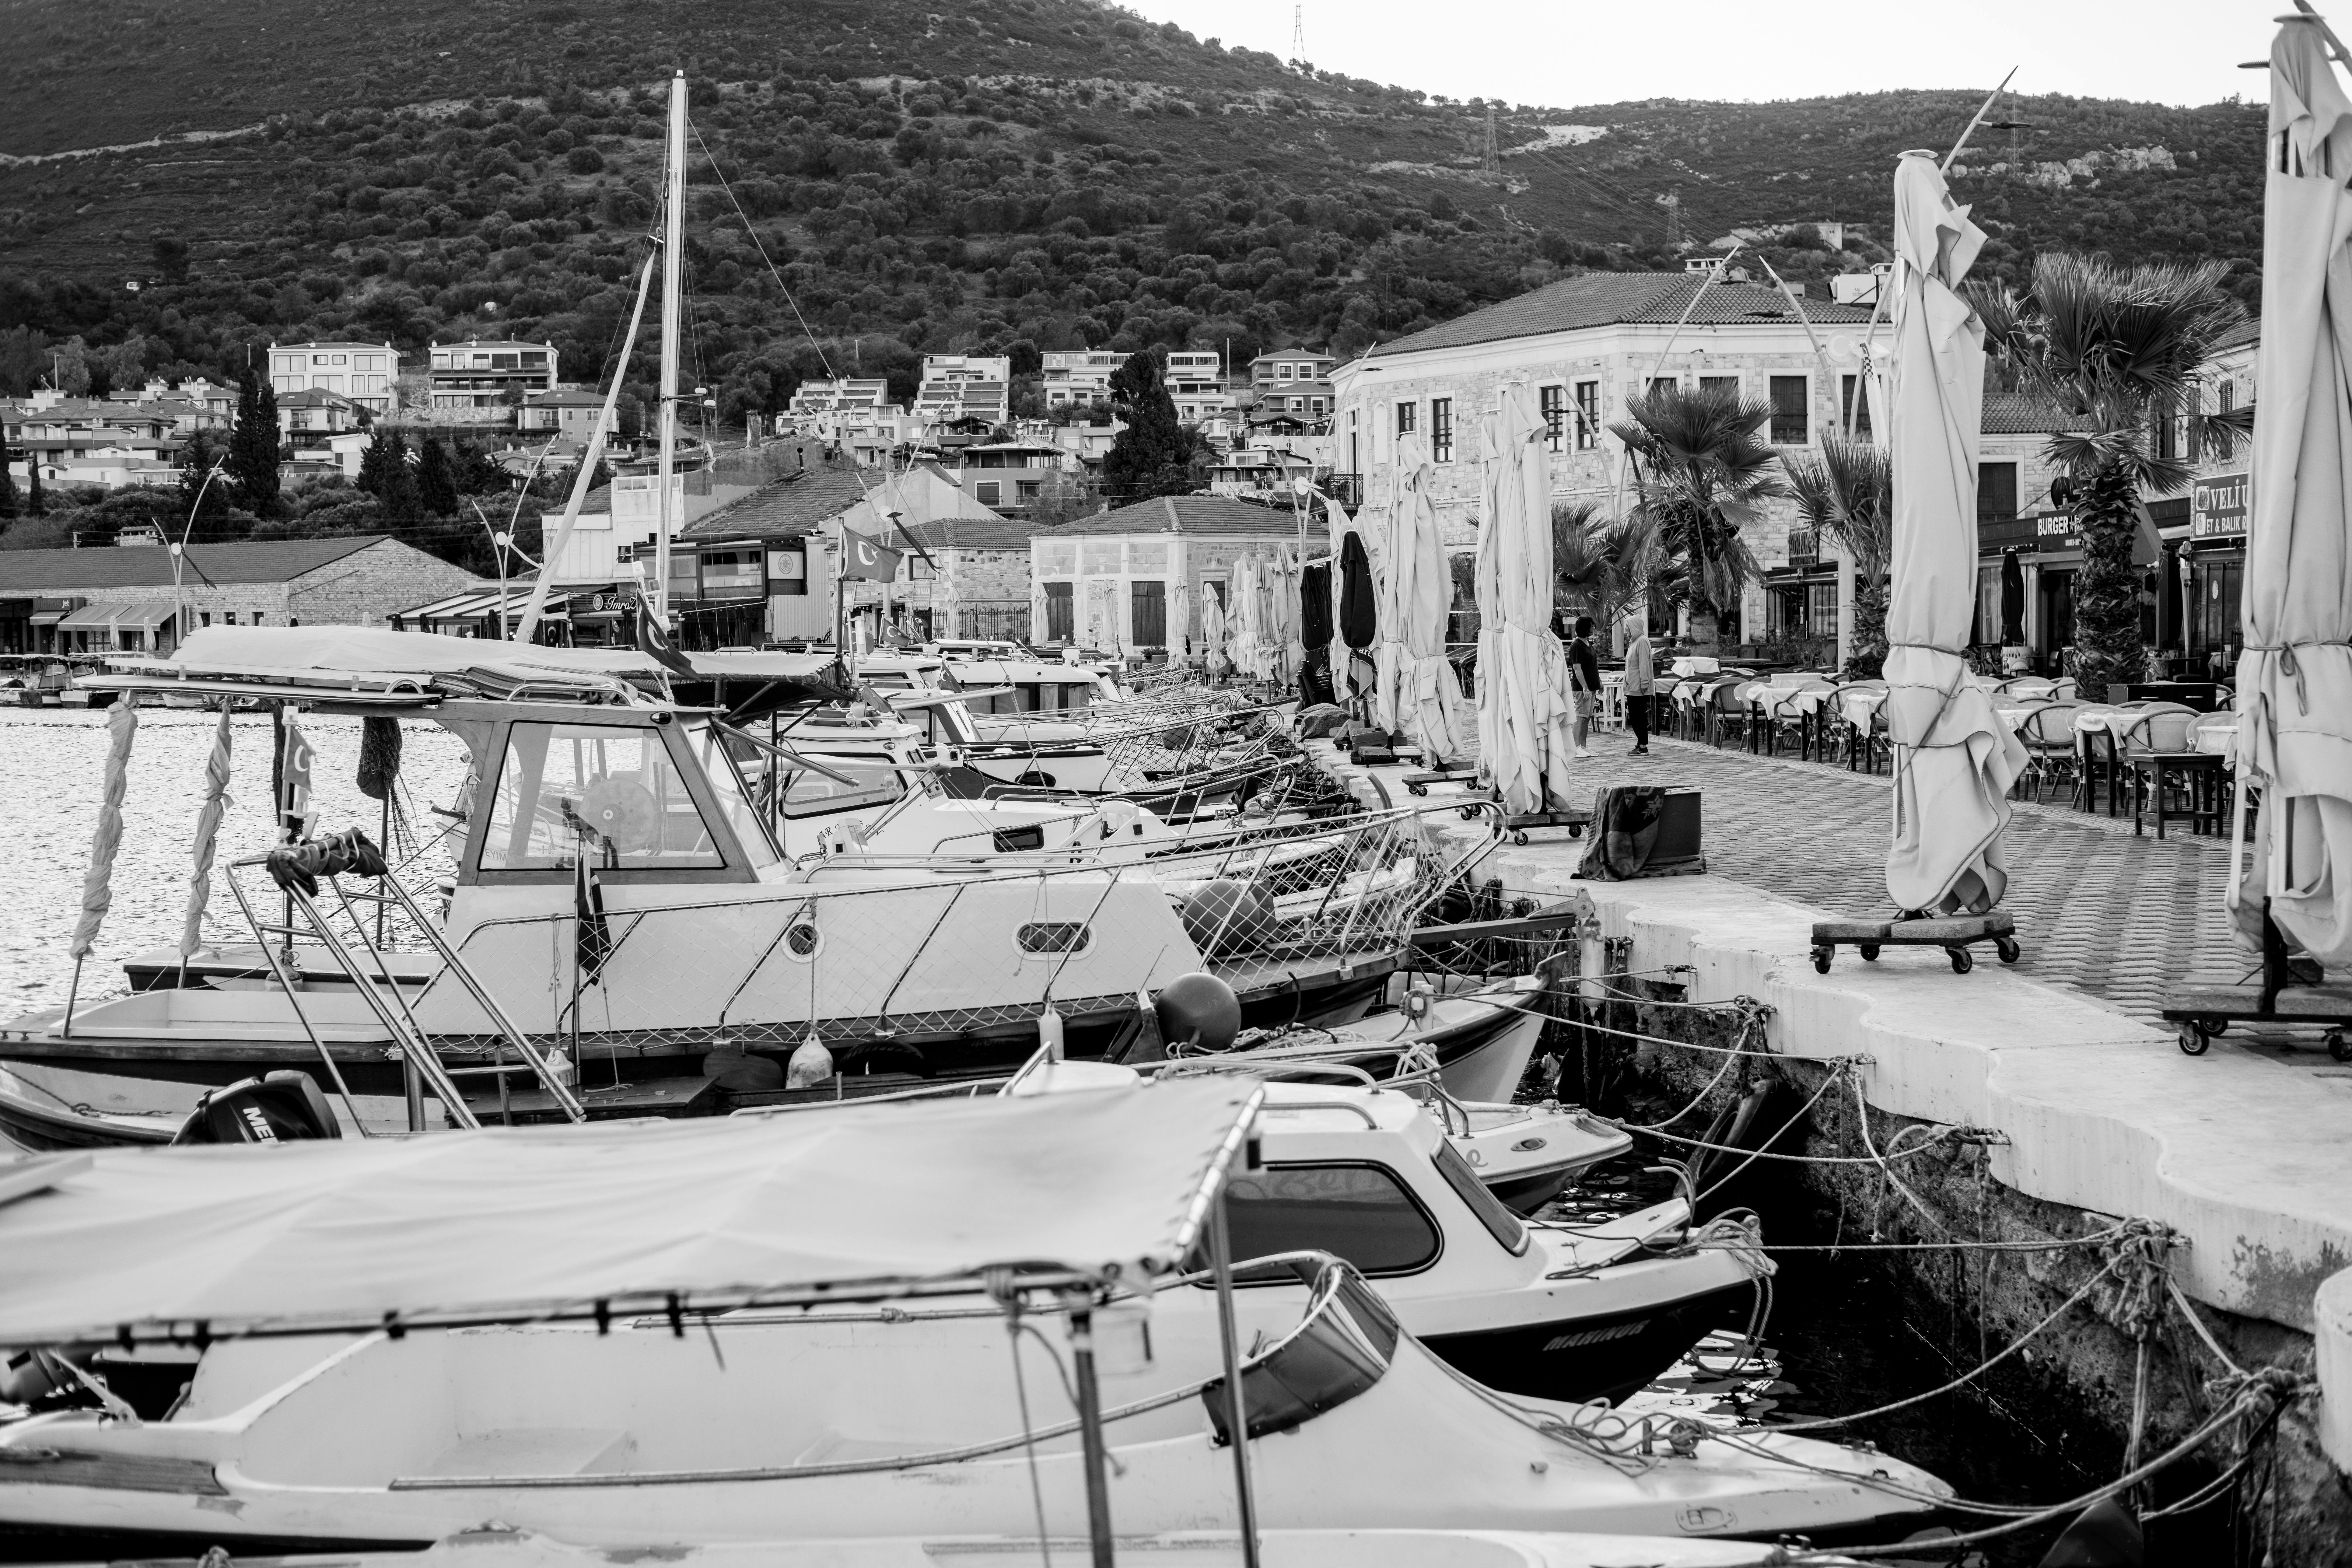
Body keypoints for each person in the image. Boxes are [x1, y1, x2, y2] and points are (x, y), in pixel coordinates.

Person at [1566, 615, 1600, 758]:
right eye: (1591, 626)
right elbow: (1577, 668)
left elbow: (1593, 665)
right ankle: (1575, 747)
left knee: (1587, 717)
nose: (1593, 628)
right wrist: (1585, 687)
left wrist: (1599, 682)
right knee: (1580, 716)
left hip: (1591, 687)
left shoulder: (1589, 643)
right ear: (1585, 628)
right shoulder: (1577, 646)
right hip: (1582, 688)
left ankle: (1584, 746)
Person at [1623, 623, 1655, 754]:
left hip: (1639, 688)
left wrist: (1645, 683)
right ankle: (1641, 744)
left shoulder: (1642, 642)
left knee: (1639, 717)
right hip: (1632, 687)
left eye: (1628, 627)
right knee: (1635, 716)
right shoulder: (1634, 642)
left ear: (1634, 627)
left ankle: (1642, 746)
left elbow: (1644, 664)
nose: (1625, 630)